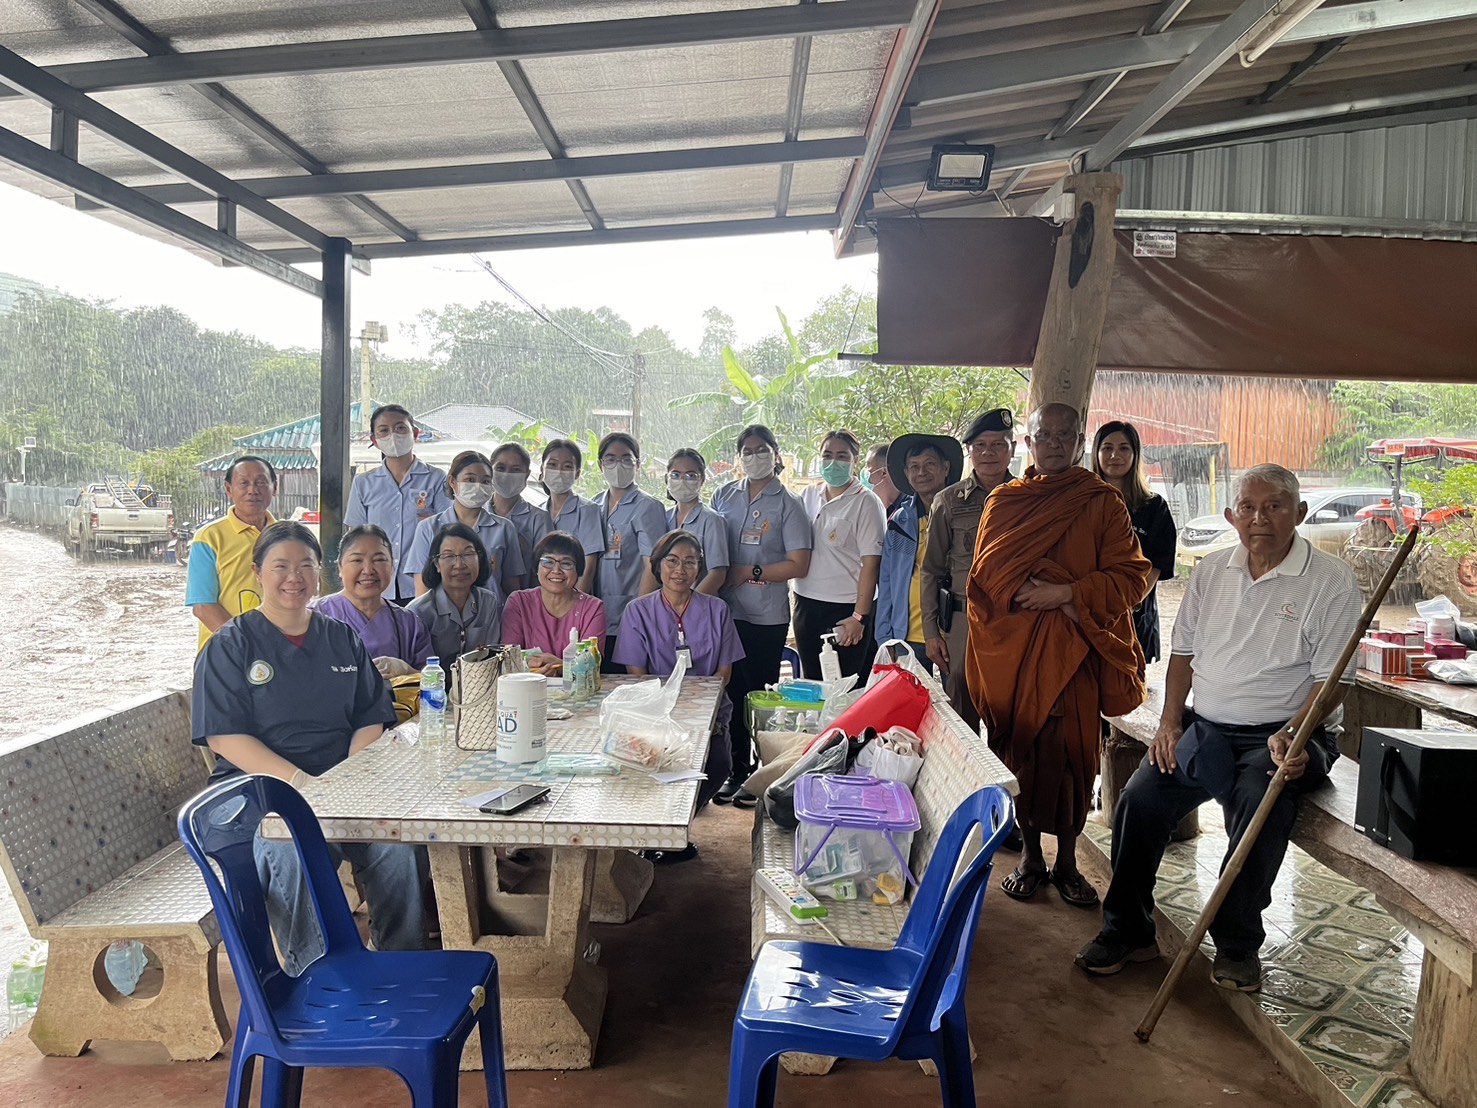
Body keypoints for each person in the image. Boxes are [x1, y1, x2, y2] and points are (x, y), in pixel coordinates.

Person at [1076, 464, 1360, 991]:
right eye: (1248, 508)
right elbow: (1181, 654)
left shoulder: (1331, 580)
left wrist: (1296, 733)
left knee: (1259, 800)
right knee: (1140, 798)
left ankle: (1235, 944)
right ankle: (1129, 930)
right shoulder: (1210, 572)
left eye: (1275, 506)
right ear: (1232, 516)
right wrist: (1168, 725)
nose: (1260, 519)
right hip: (1206, 729)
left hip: (1286, 737)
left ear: (1299, 513)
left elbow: (1331, 680)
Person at [191, 520, 423, 975]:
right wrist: (299, 784)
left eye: (305, 566)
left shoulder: (340, 637)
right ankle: (316, 974)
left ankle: (403, 966)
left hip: (339, 789)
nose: (293, 577)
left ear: (321, 574)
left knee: (399, 847)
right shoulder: (230, 645)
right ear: (258, 572)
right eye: (280, 566)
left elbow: (370, 716)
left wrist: (346, 778)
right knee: (286, 850)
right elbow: (224, 736)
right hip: (258, 792)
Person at [966, 403, 1150, 909]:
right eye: (1042, 435)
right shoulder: (1004, 501)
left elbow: (1133, 577)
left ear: (1078, 442)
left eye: (1063, 436)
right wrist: (1024, 589)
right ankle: (1029, 857)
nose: (1052, 444)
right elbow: (983, 583)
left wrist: (1066, 594)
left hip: (1074, 652)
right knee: (1020, 748)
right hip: (1019, 652)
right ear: (1028, 442)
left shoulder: (1101, 502)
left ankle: (1067, 861)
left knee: (1072, 757)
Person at [615, 529, 746, 834]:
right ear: (658, 565)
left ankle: (687, 813)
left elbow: (724, 673)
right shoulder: (638, 611)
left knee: (718, 765)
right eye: (672, 561)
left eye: (690, 562)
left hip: (708, 713)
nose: (680, 570)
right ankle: (661, 823)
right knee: (652, 769)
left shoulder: (717, 609)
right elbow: (637, 672)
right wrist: (668, 706)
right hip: (656, 710)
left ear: (699, 568)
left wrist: (697, 710)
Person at [711, 425, 813, 805]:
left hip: (767, 615)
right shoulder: (724, 495)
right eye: (747, 451)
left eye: (761, 450)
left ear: (775, 454)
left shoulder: (788, 503)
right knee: (732, 692)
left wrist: (750, 572)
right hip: (726, 612)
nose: (754, 456)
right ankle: (735, 769)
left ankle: (763, 772)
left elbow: (799, 564)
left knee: (760, 696)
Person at [923, 409, 1017, 731]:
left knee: (1010, 712)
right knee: (962, 716)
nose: (988, 453)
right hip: (963, 622)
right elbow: (931, 571)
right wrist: (932, 632)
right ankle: (967, 782)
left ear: (1013, 449)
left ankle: (1008, 782)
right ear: (970, 451)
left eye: (998, 445)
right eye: (980, 446)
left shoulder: (1029, 498)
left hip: (1013, 620)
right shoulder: (948, 501)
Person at [793, 430, 886, 680]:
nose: (833, 462)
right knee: (814, 682)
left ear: (855, 461)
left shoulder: (866, 503)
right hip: (806, 604)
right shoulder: (808, 496)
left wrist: (859, 617)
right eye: (827, 455)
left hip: (846, 609)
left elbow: (871, 564)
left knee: (847, 687)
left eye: (842, 456)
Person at [343, 404, 451, 603]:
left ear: (415, 433)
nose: (393, 435)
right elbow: (356, 539)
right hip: (377, 585)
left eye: (401, 428)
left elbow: (447, 531)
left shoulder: (435, 479)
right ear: (375, 440)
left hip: (424, 584)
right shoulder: (364, 483)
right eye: (384, 430)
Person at [1092, 420, 1177, 667]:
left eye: (1124, 448)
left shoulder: (1154, 507)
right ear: (1096, 453)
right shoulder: (1083, 501)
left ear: (1135, 453)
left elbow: (1154, 566)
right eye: (1107, 448)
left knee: (1126, 690)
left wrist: (1122, 607)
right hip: (1086, 610)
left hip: (1133, 613)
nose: (1114, 455)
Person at [876, 434, 963, 670]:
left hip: (953, 635)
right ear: (906, 473)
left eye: (929, 464)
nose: (921, 472)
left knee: (953, 705)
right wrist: (885, 638)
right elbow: (886, 583)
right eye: (914, 467)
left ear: (946, 468)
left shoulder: (964, 517)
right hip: (908, 637)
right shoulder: (899, 522)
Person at [313, 524, 432, 676]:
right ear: (340, 568)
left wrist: (409, 672)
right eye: (357, 560)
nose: (368, 570)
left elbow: (433, 682)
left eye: (379, 560)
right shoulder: (316, 615)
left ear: (392, 567)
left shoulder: (409, 622)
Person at [186, 455, 279, 650]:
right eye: (243, 483)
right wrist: (246, 645)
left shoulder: (287, 537)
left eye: (260, 482)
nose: (252, 490)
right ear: (229, 489)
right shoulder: (209, 538)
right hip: (224, 651)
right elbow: (203, 607)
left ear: (275, 488)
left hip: (277, 650)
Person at [594, 432, 668, 671]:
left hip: (630, 610)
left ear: (638, 464)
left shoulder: (648, 507)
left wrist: (637, 612)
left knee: (627, 680)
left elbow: (653, 564)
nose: (619, 465)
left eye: (627, 458)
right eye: (611, 459)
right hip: (596, 613)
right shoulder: (593, 505)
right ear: (600, 465)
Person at [404, 450, 525, 597]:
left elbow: (511, 586)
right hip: (443, 617)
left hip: (492, 615)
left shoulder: (504, 528)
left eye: (485, 481)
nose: (478, 486)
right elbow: (422, 588)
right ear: (452, 482)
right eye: (470, 480)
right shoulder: (428, 528)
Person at [501, 531, 608, 675]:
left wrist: (561, 667)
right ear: (536, 568)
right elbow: (509, 658)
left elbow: (591, 664)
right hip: (527, 686)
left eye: (566, 564)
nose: (556, 570)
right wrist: (536, 667)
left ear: (578, 570)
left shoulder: (593, 608)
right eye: (548, 562)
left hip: (577, 692)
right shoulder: (518, 603)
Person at [407, 523, 503, 664]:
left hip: (480, 682)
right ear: (436, 564)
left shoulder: (488, 601)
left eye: (468, 554)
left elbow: (492, 656)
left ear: (479, 558)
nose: (459, 565)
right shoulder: (418, 611)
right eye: (449, 556)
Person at [650, 448, 729, 596]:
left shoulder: (712, 521)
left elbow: (717, 574)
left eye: (691, 476)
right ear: (667, 478)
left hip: (699, 608)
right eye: (675, 475)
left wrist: (688, 606)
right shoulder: (663, 518)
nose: (682, 481)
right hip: (667, 607)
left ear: (702, 480)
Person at [539, 439, 604, 593]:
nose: (559, 471)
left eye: (567, 466)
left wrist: (575, 604)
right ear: (542, 468)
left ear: (577, 473)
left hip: (574, 598)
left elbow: (589, 564)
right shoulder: (539, 512)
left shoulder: (588, 510)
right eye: (552, 465)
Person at [489, 443, 554, 570]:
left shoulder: (539, 518)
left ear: (527, 474)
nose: (507, 475)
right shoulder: (478, 513)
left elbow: (545, 566)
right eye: (500, 468)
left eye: (516, 470)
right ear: (490, 470)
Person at [864, 443, 900, 512]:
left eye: (869, 468)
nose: (868, 480)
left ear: (883, 472)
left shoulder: (909, 513)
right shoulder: (873, 510)